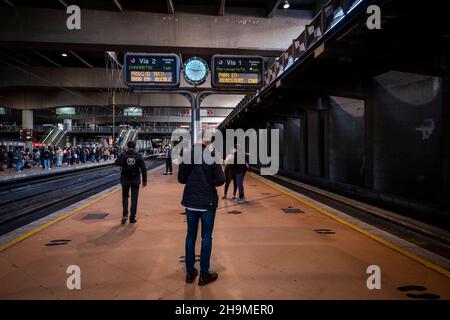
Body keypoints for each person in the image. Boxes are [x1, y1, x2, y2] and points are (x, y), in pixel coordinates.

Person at [178, 135, 225, 286]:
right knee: (206, 236)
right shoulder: (212, 155)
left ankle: (190, 272)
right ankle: (204, 275)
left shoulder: (187, 155)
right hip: (207, 202)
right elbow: (220, 180)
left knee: (190, 236)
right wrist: (208, 180)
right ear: (209, 142)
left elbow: (181, 178)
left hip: (190, 202)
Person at [115, 140, 147, 224]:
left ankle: (125, 215)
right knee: (134, 199)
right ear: (135, 146)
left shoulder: (124, 154)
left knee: (125, 197)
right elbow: (143, 168)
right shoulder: (138, 155)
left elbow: (117, 163)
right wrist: (144, 181)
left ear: (127, 146)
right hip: (135, 180)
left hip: (125, 179)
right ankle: (132, 218)